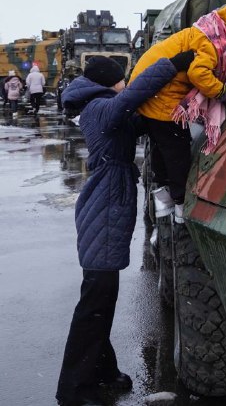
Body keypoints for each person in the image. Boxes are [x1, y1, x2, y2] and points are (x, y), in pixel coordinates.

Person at [56, 51, 195, 406]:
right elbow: (133, 97)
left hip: (106, 202)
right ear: (110, 81)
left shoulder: (99, 106)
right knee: (94, 302)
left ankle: (103, 371)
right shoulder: (102, 107)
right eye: (121, 77)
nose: (125, 82)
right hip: (104, 206)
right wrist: (171, 64)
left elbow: (137, 119)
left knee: (103, 298)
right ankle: (74, 389)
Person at [128, 0, 226, 224]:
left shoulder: (209, 31)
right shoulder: (211, 43)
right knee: (178, 149)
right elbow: (198, 73)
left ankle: (164, 196)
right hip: (162, 100)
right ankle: (181, 205)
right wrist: (223, 92)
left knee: (162, 145)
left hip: (152, 96)